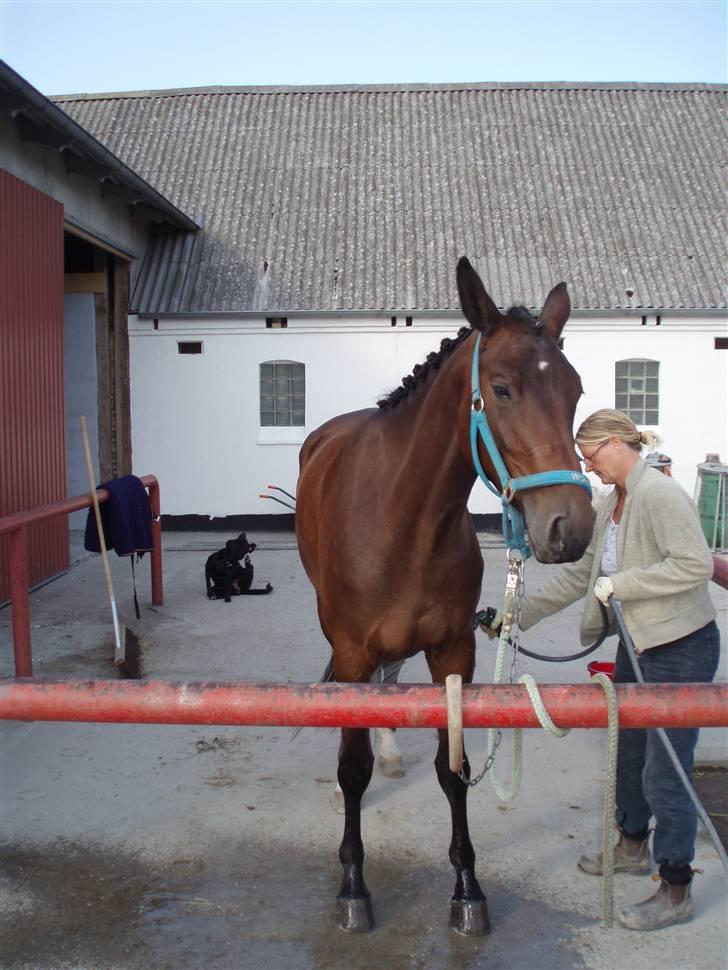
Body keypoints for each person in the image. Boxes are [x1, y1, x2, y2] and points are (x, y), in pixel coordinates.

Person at [485, 409, 719, 931]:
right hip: (641, 645)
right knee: (629, 751)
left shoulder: (658, 494)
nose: (589, 470)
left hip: (681, 646)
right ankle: (633, 845)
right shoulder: (613, 502)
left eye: (590, 458)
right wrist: (517, 615)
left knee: (667, 768)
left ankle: (676, 887)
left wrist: (625, 585)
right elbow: (581, 580)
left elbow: (695, 564)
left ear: (614, 443)